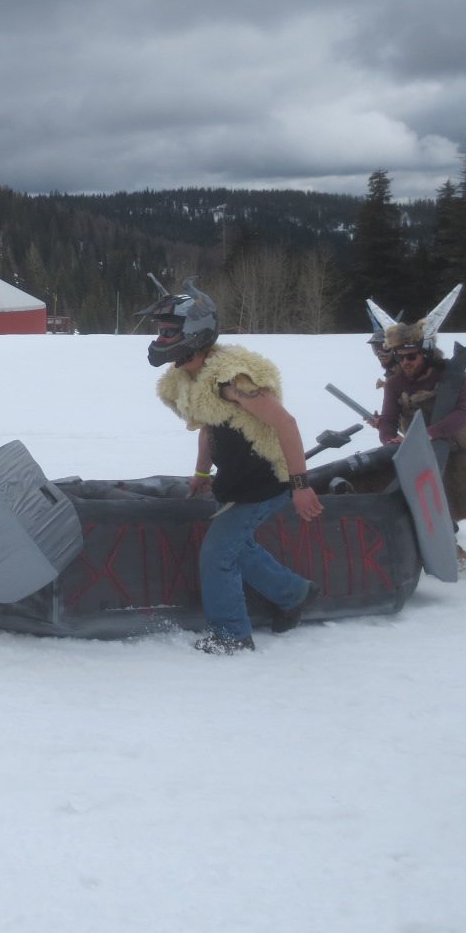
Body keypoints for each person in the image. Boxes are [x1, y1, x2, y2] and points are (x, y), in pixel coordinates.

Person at [147, 279, 322, 654]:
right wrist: (200, 473)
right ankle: (295, 594)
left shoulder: (232, 379)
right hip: (236, 481)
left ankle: (232, 635)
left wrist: (300, 484)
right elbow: (209, 424)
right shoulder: (194, 376)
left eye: (168, 331)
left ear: (193, 333)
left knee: (216, 554)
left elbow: (286, 424)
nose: (161, 339)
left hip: (265, 481)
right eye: (160, 331)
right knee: (237, 549)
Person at [377, 302, 466, 572]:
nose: (406, 363)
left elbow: (462, 414)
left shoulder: (452, 378)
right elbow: (389, 418)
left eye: (412, 357)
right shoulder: (395, 384)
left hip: (461, 450)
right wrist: (389, 438)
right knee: (427, 509)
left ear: (425, 354)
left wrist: (431, 433)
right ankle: (453, 557)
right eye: (401, 357)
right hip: (420, 453)